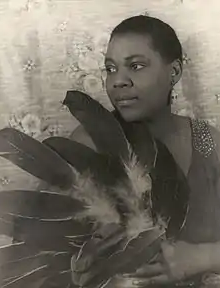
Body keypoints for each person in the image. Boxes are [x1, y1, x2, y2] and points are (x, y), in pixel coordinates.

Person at [70, 15, 220, 287]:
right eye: (110, 68)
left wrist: (201, 257)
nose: (118, 81)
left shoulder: (208, 143)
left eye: (136, 66)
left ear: (174, 72)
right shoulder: (88, 142)